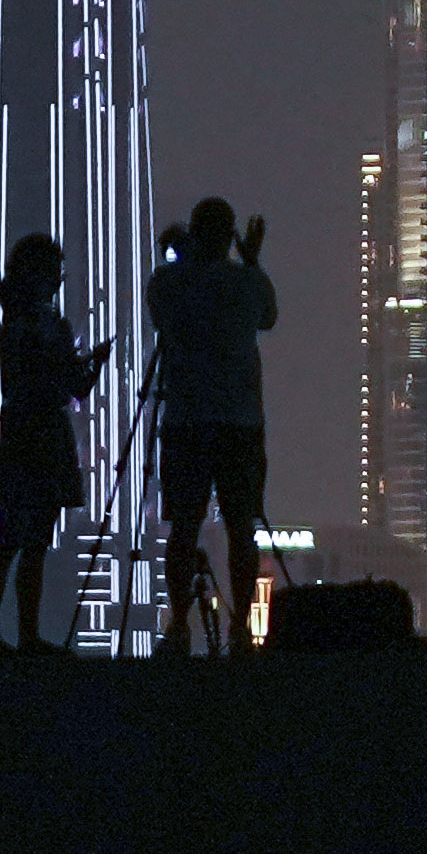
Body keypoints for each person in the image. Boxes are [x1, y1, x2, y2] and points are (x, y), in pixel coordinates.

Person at [142, 197, 279, 655]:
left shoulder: (170, 281)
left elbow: (159, 313)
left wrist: (181, 250)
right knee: (242, 526)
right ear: (231, 234)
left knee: (183, 527)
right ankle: (241, 629)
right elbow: (269, 317)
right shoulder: (246, 281)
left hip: (185, 419)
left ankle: (179, 626)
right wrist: (252, 260)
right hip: (239, 421)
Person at [0, 233, 106, 653]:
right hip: (40, 432)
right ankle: (10, 635)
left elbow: (65, 383)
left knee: (24, 541)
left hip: (29, 430)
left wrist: (87, 367)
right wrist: (88, 366)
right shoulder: (35, 325)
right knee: (23, 540)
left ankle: (6, 636)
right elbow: (69, 385)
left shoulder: (18, 322)